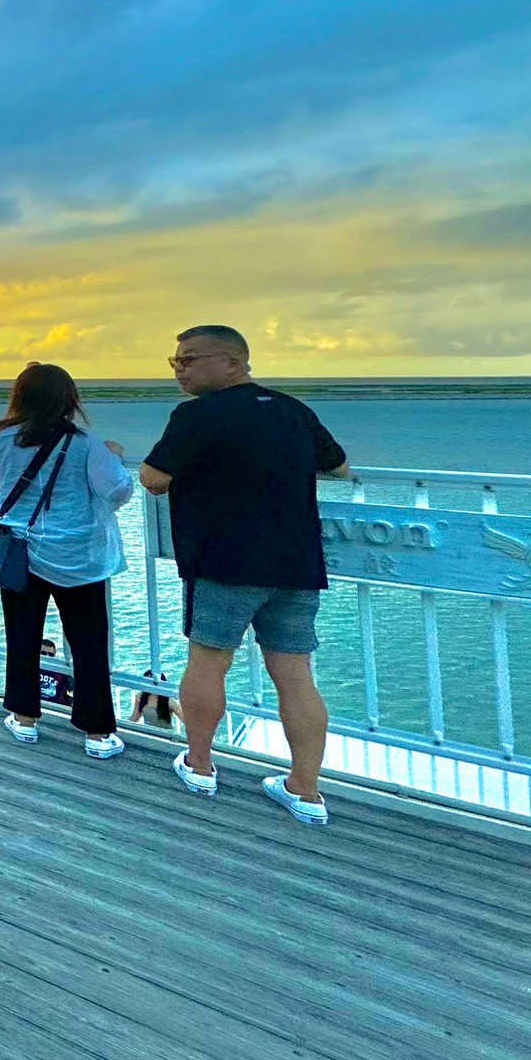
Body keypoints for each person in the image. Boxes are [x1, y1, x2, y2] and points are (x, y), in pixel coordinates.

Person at [140, 324, 349, 825]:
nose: (179, 368)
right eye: (175, 360)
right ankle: (305, 790)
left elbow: (153, 479)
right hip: (295, 563)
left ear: (234, 362)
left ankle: (201, 765)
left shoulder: (196, 416)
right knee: (294, 674)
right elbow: (338, 467)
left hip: (225, 564)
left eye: (189, 359)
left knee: (209, 663)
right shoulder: (292, 410)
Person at [0, 362, 134, 758]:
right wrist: (115, 455)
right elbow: (117, 492)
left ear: (20, 397)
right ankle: (97, 733)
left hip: (19, 552)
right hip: (79, 556)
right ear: (70, 399)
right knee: (89, 641)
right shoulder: (87, 443)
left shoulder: (4, 441)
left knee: (22, 634)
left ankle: (24, 718)